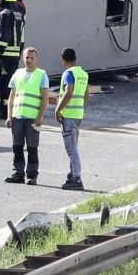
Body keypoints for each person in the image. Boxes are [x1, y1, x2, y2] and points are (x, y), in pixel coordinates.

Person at [5, 47, 50, 185]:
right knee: (17, 146)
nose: (29, 60)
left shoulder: (41, 74)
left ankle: (32, 174)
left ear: (36, 59)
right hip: (18, 116)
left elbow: (45, 99)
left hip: (32, 118)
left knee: (32, 147)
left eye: (32, 58)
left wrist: (40, 117)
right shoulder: (17, 73)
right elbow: (11, 97)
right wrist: (9, 116)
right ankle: (18, 173)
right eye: (27, 57)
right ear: (22, 58)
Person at [54, 48, 89, 191]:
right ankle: (72, 175)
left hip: (68, 115)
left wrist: (58, 109)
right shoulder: (83, 74)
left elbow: (69, 92)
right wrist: (79, 107)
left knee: (71, 149)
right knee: (74, 146)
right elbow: (86, 96)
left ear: (63, 59)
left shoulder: (68, 73)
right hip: (78, 115)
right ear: (75, 58)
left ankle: (76, 178)